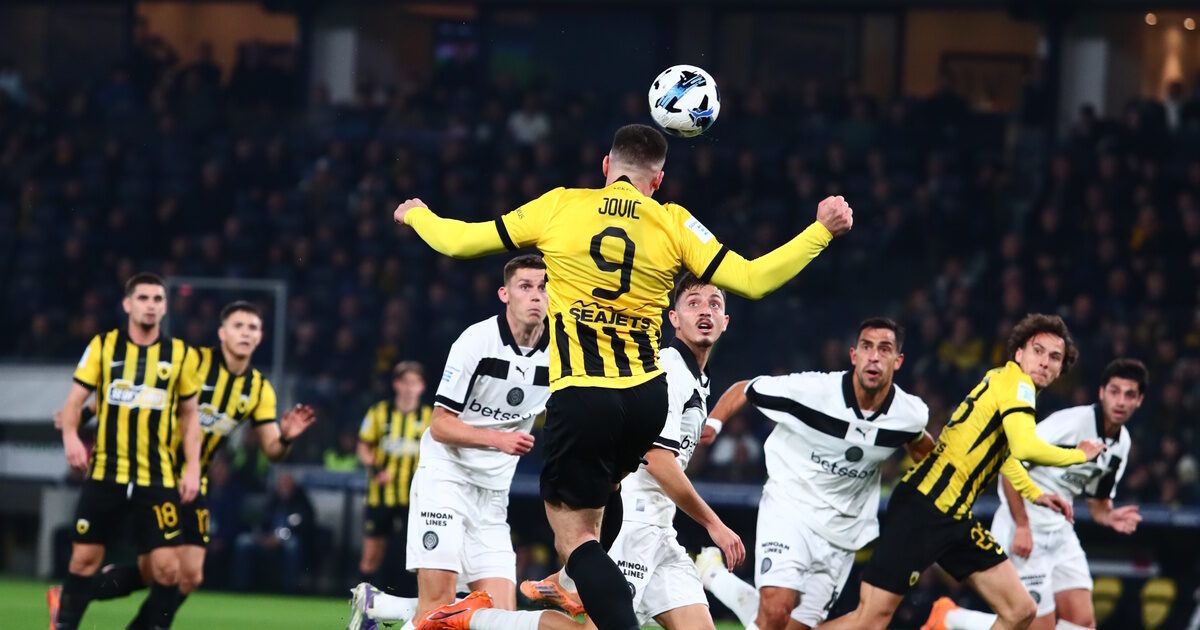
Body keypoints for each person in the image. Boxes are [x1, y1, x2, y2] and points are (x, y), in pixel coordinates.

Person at [393, 123, 854, 630]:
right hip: (645, 397)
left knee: (575, 538)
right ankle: (572, 585)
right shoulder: (675, 222)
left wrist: (418, 215)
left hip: (583, 394)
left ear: (606, 167)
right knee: (609, 495)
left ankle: (583, 589)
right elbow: (754, 279)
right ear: (657, 181)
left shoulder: (561, 206)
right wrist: (821, 231)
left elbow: (460, 243)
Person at [819, 313, 1107, 630]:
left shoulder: (1004, 381)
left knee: (1021, 610)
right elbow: (1026, 447)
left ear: (1061, 369)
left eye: (1054, 357)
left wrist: (1034, 494)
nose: (1044, 362)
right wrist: (1078, 454)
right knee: (870, 620)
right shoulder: (1019, 385)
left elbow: (1005, 455)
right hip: (924, 508)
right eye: (1037, 351)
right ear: (1019, 353)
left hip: (954, 517)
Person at [52, 301, 317, 627]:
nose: (245, 333)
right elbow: (138, 385)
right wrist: (82, 415)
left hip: (194, 482)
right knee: (161, 570)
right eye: (238, 326)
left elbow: (274, 450)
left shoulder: (259, 389)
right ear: (222, 333)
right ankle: (76, 599)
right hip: (155, 477)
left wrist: (287, 437)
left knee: (189, 576)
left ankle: (73, 595)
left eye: (252, 328)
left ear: (261, 337)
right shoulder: (193, 361)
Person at [519, 272, 747, 630]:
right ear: (674, 318)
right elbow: (657, 461)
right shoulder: (669, 369)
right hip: (632, 523)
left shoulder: (696, 378)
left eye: (714, 304)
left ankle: (564, 582)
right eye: (693, 303)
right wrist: (714, 525)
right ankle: (481, 619)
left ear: (726, 321)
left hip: (660, 528)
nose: (705, 310)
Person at [349, 255, 557, 630]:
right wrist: (497, 439)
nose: (535, 295)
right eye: (525, 286)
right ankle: (391, 607)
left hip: (492, 497)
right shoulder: (476, 342)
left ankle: (381, 606)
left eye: (543, 288)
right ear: (504, 294)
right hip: (446, 481)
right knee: (438, 608)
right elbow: (440, 425)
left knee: (500, 619)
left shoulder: (562, 350)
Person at [695, 318, 934, 630]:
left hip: (842, 532)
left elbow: (921, 447)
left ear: (898, 361)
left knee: (789, 627)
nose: (874, 356)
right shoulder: (813, 391)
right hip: (790, 507)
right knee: (776, 610)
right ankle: (715, 576)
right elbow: (747, 389)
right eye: (867, 347)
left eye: (884, 349)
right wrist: (713, 423)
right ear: (854, 356)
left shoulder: (909, 414)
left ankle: (714, 576)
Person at [926, 359, 1147, 630]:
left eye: (1129, 394)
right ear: (1102, 392)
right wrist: (1022, 526)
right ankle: (951, 618)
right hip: (1023, 529)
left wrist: (1109, 516)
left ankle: (951, 618)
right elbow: (1010, 463)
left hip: (1060, 533)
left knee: (1082, 624)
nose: (1121, 401)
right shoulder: (1071, 423)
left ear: (1139, 400)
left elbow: (1098, 501)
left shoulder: (1121, 444)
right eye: (1115, 391)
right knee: (1035, 626)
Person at [49, 273, 203, 630]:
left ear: (165, 307)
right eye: (143, 298)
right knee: (84, 559)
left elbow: (190, 416)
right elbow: (74, 401)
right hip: (106, 472)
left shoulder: (181, 354)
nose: (150, 305)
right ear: (127, 304)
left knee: (167, 568)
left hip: (158, 476)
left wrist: (193, 468)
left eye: (157, 299)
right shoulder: (103, 346)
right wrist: (71, 437)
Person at [357, 361, 432, 592]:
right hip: (381, 494)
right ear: (396, 384)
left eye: (415, 382)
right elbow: (363, 446)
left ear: (422, 386)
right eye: (405, 382)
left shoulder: (429, 416)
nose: (410, 387)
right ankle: (364, 605)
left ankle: (417, 604)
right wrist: (376, 469)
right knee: (372, 554)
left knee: (418, 554)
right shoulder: (379, 412)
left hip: (416, 497)